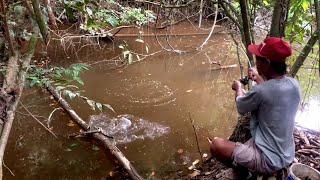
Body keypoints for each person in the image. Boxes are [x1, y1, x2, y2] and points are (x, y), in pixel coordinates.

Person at [209, 37, 301, 174]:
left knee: (216, 145)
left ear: (267, 63)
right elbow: (272, 93)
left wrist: (239, 87)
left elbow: (241, 106)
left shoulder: (261, 91)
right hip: (286, 153)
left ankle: (245, 172)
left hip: (268, 160)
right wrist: (258, 77)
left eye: (258, 59)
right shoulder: (294, 84)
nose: (256, 63)